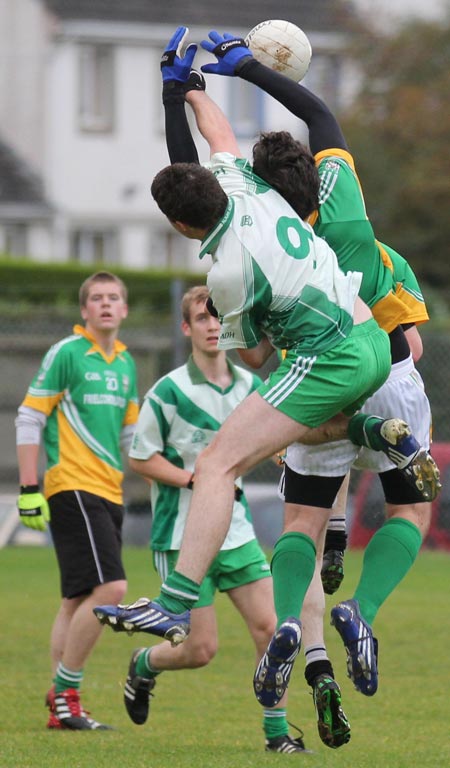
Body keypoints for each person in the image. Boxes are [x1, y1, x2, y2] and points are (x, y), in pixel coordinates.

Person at [94, 29, 438, 727]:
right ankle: (362, 570)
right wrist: (202, 84)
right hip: (379, 347)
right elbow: (216, 138)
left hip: (325, 361)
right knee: (397, 499)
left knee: (227, 464)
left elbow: (252, 358)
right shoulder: (253, 187)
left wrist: (172, 88)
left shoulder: (227, 274)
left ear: (185, 230)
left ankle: (179, 599)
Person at [217, 39, 438, 711]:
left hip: (314, 384)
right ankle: (362, 611)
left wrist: (187, 97)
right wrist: (245, 67)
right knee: (410, 508)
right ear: (314, 177)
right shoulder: (348, 213)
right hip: (387, 367)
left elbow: (251, 352)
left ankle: (288, 621)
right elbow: (323, 119)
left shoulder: (258, 242)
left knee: (299, 526)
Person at [120, 285, 310, 754]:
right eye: (201, 320)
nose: (210, 327)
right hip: (182, 536)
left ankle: (277, 736)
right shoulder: (168, 391)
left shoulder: (253, 388)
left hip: (239, 532)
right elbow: (140, 458)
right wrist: (195, 481)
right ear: (186, 329)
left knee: (272, 630)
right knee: (200, 650)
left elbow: (280, 435)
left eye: (217, 319)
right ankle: (144, 664)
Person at [16, 271, 139, 730]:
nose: (106, 304)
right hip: (72, 485)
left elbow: (131, 436)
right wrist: (30, 489)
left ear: (124, 310)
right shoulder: (67, 354)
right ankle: (66, 692)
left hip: (110, 491)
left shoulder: (126, 363)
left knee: (77, 599)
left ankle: (61, 707)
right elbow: (29, 418)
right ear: (84, 310)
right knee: (112, 590)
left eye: (114, 298)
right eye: (97, 298)